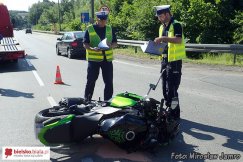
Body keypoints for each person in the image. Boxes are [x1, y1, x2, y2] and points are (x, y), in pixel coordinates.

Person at [154, 5, 186, 120]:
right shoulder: (162, 26)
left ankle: (175, 114)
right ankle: (169, 109)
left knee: (172, 89)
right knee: (164, 88)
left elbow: (178, 40)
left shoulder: (176, 24)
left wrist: (162, 38)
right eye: (158, 17)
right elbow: (163, 44)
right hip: (164, 60)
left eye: (161, 16)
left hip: (174, 61)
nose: (159, 19)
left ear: (167, 14)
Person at [83, 10, 117, 101]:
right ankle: (87, 100)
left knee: (109, 82)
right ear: (97, 19)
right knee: (91, 81)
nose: (103, 22)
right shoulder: (90, 29)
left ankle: (108, 101)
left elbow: (115, 43)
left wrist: (111, 45)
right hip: (94, 61)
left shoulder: (109, 28)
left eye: (104, 20)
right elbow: (85, 44)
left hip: (107, 60)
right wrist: (92, 48)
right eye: (101, 20)